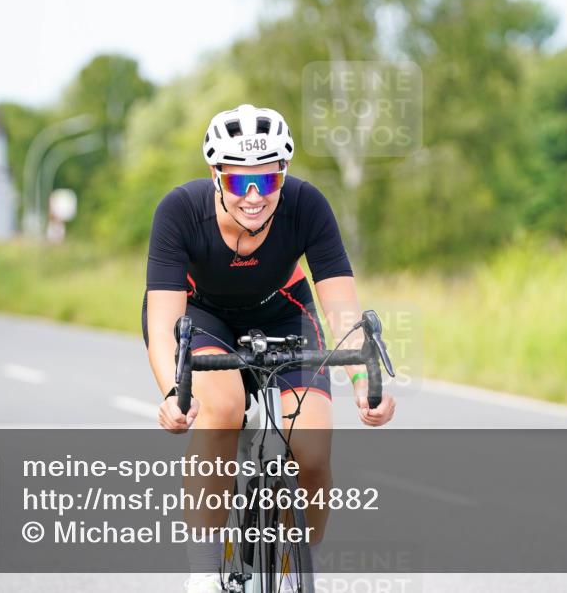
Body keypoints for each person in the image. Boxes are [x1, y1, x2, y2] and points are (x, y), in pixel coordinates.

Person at [142, 103, 396, 592]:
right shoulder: (179, 210)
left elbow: (342, 310)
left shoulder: (307, 205)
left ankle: (304, 566)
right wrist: (177, 394)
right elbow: (164, 324)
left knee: (313, 452)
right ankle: (204, 571)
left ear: (284, 174)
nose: (255, 196)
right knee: (223, 409)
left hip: (282, 311)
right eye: (240, 182)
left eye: (269, 180)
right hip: (200, 317)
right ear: (217, 176)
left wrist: (367, 383)